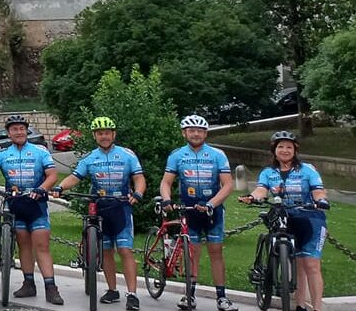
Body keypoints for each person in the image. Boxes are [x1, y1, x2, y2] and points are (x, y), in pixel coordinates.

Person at [54, 117, 145, 311]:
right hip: (100, 209)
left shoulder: (127, 155)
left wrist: (138, 193)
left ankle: (132, 294)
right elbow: (75, 177)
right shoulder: (90, 158)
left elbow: (139, 178)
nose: (104, 136)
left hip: (121, 207)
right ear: (95, 136)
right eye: (100, 133)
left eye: (107, 132)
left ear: (113, 134)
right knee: (106, 252)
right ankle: (112, 290)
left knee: (125, 251)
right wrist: (60, 187)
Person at [0, 114, 63, 305]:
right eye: (14, 129)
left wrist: (42, 188)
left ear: (27, 130)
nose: (19, 132)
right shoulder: (2, 154)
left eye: (22, 129)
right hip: (15, 204)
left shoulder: (40, 151)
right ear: (8, 133)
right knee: (23, 244)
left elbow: (52, 175)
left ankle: (51, 288)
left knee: (42, 245)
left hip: (36, 204)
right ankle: (28, 283)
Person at [241, 131, 330, 311]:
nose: (285, 150)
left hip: (310, 219)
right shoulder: (268, 172)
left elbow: (318, 190)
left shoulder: (307, 170)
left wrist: (321, 200)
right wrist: (252, 197)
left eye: (289, 147)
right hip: (285, 219)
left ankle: (317, 308)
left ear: (295, 150)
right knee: (297, 263)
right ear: (274, 150)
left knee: (311, 264)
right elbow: (261, 190)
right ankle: (299, 305)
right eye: (280, 146)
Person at [159, 115, 236, 311]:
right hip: (189, 209)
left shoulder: (217, 154)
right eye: (191, 130)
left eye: (200, 131)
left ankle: (222, 297)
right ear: (184, 133)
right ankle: (189, 295)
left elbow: (228, 185)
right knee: (192, 253)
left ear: (205, 133)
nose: (196, 134)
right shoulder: (177, 155)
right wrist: (167, 199)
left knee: (216, 252)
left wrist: (212, 204)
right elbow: (166, 182)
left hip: (213, 210)